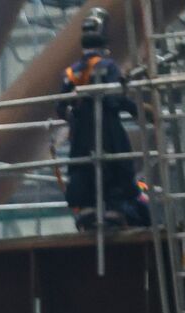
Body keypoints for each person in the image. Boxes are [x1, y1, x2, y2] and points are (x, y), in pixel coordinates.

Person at [55, 7, 147, 231]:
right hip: (107, 126)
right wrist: (139, 112)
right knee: (117, 162)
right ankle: (114, 210)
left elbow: (60, 106)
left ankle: (86, 210)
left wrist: (73, 120)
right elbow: (116, 97)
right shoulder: (109, 67)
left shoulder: (72, 71)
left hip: (82, 131)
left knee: (81, 165)